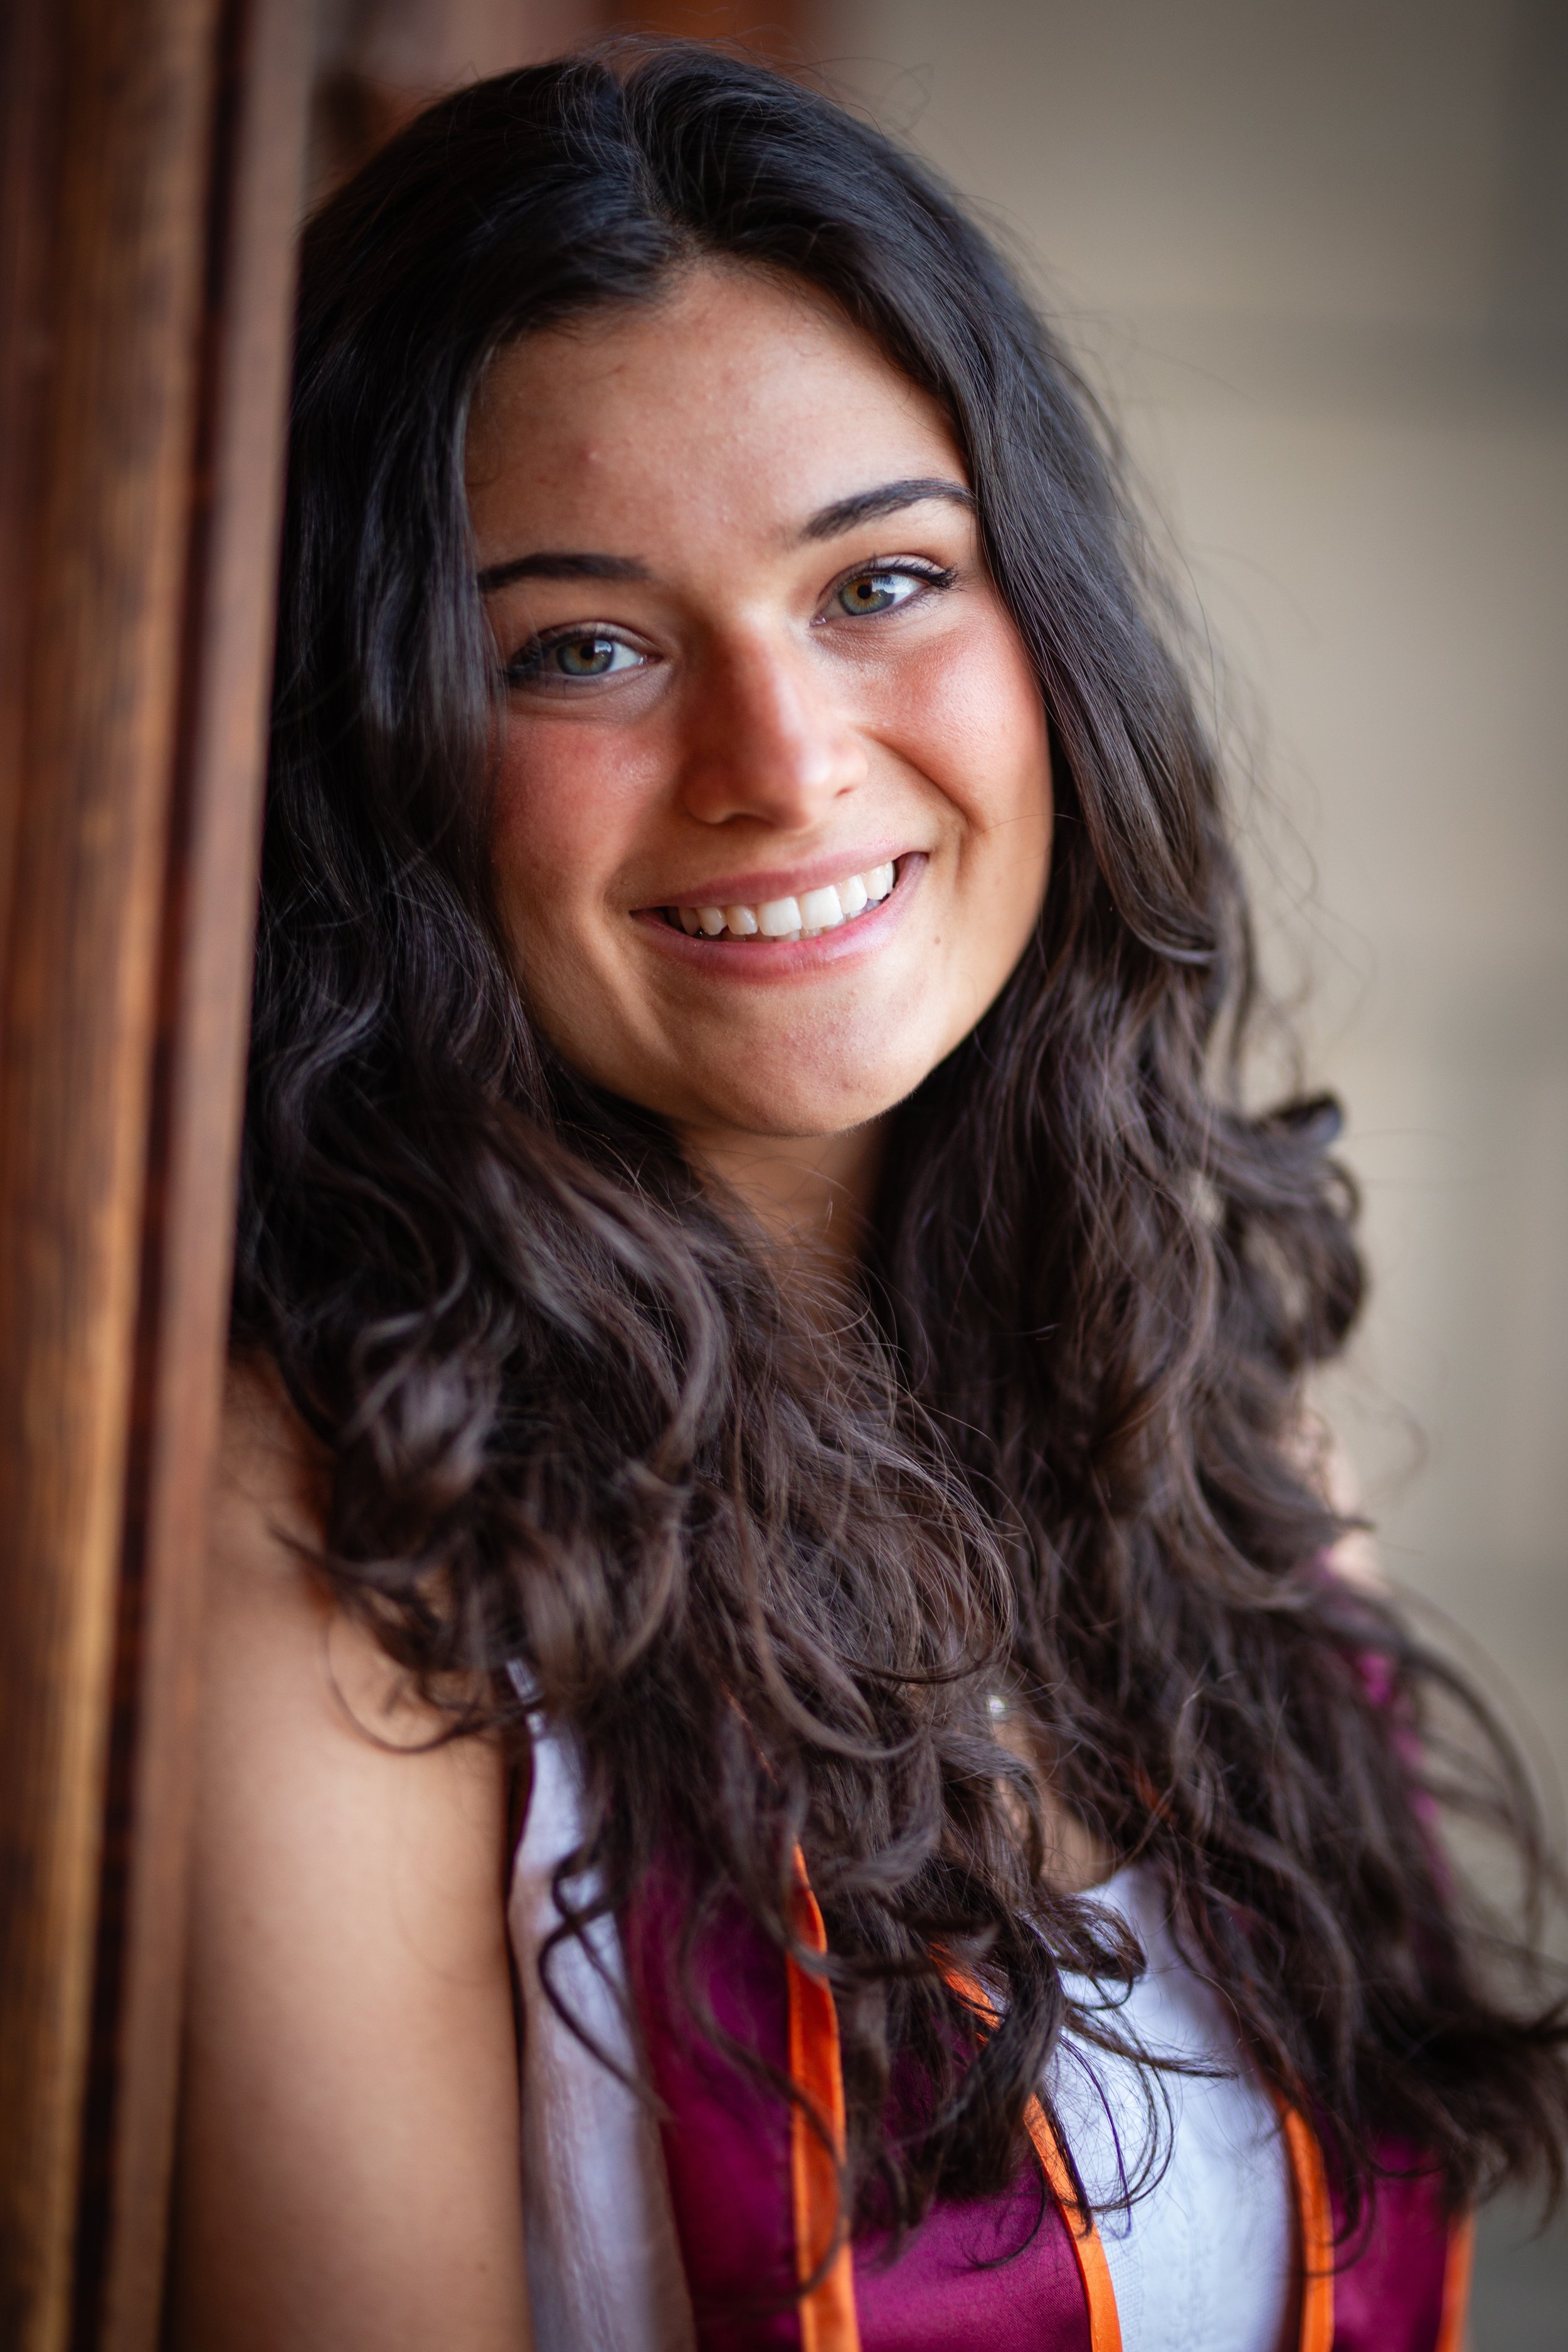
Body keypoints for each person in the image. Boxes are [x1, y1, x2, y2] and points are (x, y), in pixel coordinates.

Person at [169, 41, 1567, 2352]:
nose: (784, 765)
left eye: (881, 581)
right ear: (375, 744)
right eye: (579, 648)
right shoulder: (338, 1527)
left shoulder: (1202, 1388)